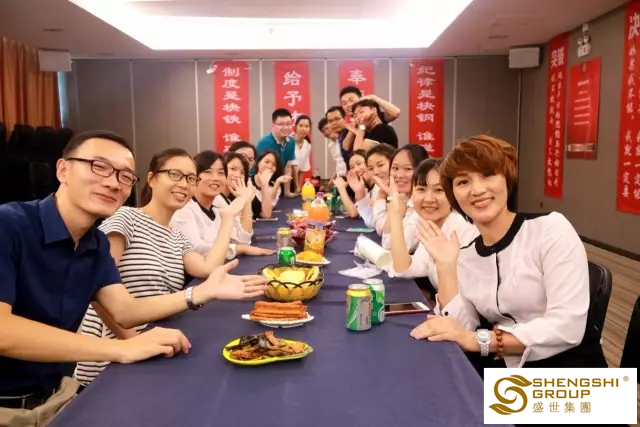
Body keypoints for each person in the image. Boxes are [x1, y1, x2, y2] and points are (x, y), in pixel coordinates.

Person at [0, 131, 267, 414]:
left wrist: (201, 292)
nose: (113, 182)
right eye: (99, 166)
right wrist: (121, 348)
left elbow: (125, 310)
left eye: (125, 176)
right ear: (63, 169)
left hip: (53, 400)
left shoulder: (95, 244)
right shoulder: (10, 225)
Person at [410, 135, 607, 374]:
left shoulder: (550, 229)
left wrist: (479, 340)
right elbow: (463, 329)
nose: (477, 190)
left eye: (487, 175)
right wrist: (445, 266)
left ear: (506, 178)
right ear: (454, 195)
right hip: (508, 366)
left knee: (452, 392)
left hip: (574, 374)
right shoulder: (467, 253)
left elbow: (567, 328)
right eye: (463, 182)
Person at [73, 147, 264, 385]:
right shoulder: (126, 218)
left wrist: (227, 218)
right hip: (113, 361)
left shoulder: (176, 237)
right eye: (174, 174)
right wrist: (132, 341)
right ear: (152, 179)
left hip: (156, 348)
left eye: (190, 178)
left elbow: (207, 268)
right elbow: (94, 287)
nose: (183, 184)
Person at [387, 159, 478, 300]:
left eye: (439, 190)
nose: (429, 199)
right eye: (421, 189)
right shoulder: (432, 225)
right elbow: (404, 268)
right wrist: (395, 217)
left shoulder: (463, 228)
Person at [171, 150, 274, 257]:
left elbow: (242, 240)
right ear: (193, 177)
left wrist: (246, 201)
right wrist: (240, 249)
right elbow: (196, 249)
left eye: (221, 173)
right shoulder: (184, 209)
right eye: (208, 172)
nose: (215, 178)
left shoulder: (216, 211)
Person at [374, 144, 428, 240]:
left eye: (407, 169)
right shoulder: (404, 197)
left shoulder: (424, 204)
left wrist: (394, 201)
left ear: (422, 171)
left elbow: (389, 243)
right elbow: (381, 228)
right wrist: (381, 195)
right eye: (395, 168)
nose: (399, 175)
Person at [255, 108, 297, 197]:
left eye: (288, 124)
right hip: (259, 186)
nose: (286, 127)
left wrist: (287, 192)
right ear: (273, 125)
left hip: (277, 182)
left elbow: (288, 166)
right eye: (281, 124)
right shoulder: (265, 143)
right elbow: (259, 170)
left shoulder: (291, 141)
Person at [249, 150, 290, 219]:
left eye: (274, 165)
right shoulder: (247, 182)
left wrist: (276, 183)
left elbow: (268, 210)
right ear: (258, 163)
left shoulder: (275, 186)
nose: (270, 166)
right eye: (267, 162)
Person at [319, 114, 347, 183]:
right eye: (323, 131)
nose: (326, 132)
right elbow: (338, 163)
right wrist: (332, 178)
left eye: (327, 128)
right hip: (340, 177)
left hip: (349, 176)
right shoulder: (330, 145)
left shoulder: (345, 138)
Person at [293, 115, 312, 192]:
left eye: (306, 126)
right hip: (285, 180)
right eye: (301, 126)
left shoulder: (308, 144)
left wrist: (299, 188)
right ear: (295, 127)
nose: (303, 129)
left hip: (296, 184)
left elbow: (302, 168)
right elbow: (293, 166)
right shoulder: (289, 142)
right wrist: (296, 187)